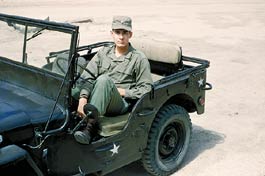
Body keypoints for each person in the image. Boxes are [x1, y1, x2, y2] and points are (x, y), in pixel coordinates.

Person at [74, 16, 153, 144]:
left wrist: (123, 92)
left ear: (130, 34)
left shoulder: (139, 59)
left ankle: (89, 129)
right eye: (117, 32)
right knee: (73, 80)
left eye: (125, 33)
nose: (121, 37)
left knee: (104, 80)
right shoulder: (103, 53)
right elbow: (87, 76)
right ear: (112, 34)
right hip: (99, 93)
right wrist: (83, 98)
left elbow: (146, 89)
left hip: (119, 103)